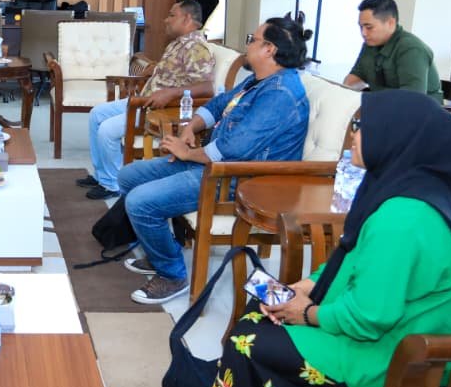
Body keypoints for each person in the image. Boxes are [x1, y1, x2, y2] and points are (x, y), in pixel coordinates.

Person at [159, 90, 451, 387]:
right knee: (262, 309)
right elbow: (353, 258)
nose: (353, 136)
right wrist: (309, 286)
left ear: (395, 138)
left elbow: (371, 317)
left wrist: (308, 314)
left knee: (253, 340)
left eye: (362, 127)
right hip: (387, 326)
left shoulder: (404, 219)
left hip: (402, 351)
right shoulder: (401, 189)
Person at [117, 16, 312, 305]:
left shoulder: (280, 94)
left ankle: (172, 274)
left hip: (237, 178)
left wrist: (188, 154)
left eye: (253, 39)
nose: (248, 45)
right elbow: (220, 103)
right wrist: (190, 128)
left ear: (269, 49)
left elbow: (236, 148)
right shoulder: (259, 81)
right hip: (213, 164)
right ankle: (163, 250)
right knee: (128, 177)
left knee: (140, 202)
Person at [76, 0, 216, 199]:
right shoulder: (180, 44)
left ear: (187, 19)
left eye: (172, 15)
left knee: (107, 130)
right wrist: (156, 68)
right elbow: (179, 73)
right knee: (96, 114)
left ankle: (112, 184)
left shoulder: (197, 48)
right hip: (145, 101)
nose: (166, 20)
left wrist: (171, 93)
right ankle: (102, 176)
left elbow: (207, 87)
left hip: (159, 110)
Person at [344, 0, 442, 102]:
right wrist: (345, 93)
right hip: (384, 105)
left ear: (391, 23)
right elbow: (354, 79)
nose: (363, 33)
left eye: (369, 27)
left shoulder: (411, 49)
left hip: (418, 110)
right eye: (361, 27)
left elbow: (413, 99)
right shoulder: (370, 45)